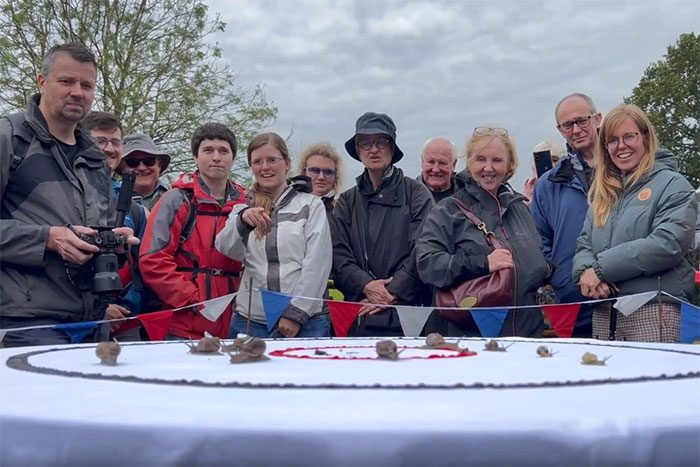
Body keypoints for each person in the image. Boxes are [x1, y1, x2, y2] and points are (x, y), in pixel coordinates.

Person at [0, 43, 136, 347]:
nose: (78, 92)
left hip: (93, 318)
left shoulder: (96, 157)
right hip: (30, 321)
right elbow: (54, 235)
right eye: (67, 81)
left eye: (87, 85)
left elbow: (91, 228)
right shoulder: (9, 139)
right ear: (42, 81)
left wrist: (114, 241)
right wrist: (47, 238)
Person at [573, 104, 697, 343]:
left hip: (654, 311)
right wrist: (584, 273)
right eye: (612, 140)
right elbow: (583, 244)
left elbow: (666, 244)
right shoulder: (603, 193)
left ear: (645, 137)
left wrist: (599, 270)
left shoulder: (673, 185)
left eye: (629, 136)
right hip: (604, 312)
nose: (621, 146)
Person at [416, 127, 550, 337]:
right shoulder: (447, 211)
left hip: (527, 337)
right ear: (469, 163)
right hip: (470, 341)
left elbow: (538, 263)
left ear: (509, 165)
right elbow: (428, 265)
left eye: (497, 160)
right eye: (480, 159)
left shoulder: (522, 209)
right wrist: (483, 263)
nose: (488, 168)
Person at [216, 132, 332, 338]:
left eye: (272, 160)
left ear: (287, 163)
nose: (265, 167)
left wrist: (296, 313)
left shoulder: (310, 205)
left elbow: (317, 264)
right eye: (257, 161)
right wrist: (242, 222)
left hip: (307, 321)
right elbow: (227, 249)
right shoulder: (242, 206)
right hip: (250, 321)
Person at [139, 123, 246, 339]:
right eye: (208, 150)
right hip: (185, 322)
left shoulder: (246, 204)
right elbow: (152, 259)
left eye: (223, 151)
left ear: (232, 159)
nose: (216, 157)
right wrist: (192, 298)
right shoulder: (176, 200)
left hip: (238, 320)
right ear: (196, 158)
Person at [330, 112, 434, 336]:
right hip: (359, 313)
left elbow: (424, 249)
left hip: (408, 315)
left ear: (392, 147)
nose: (373, 149)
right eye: (365, 143)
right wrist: (366, 285)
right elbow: (338, 255)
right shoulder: (347, 201)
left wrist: (392, 291)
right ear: (358, 150)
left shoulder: (416, 193)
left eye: (380, 142)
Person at [530, 93, 602, 337]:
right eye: (567, 125)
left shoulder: (625, 170)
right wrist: (559, 276)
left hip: (626, 298)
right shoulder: (547, 185)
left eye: (582, 120)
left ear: (597, 119)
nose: (576, 129)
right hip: (573, 301)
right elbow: (539, 240)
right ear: (560, 130)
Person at [83, 111, 152, 334]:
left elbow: (143, 266)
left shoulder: (135, 209)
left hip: (125, 318)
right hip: (75, 318)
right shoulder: (65, 196)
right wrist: (101, 307)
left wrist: (125, 306)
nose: (110, 149)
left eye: (115, 142)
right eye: (100, 141)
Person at [121, 134, 170, 210]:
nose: (141, 168)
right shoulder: (109, 199)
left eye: (149, 161)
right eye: (133, 162)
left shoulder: (178, 199)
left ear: (159, 164)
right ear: (122, 167)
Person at [295, 141, 344, 214]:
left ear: (335, 176)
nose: (321, 177)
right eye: (314, 170)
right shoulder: (289, 206)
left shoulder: (343, 211)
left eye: (328, 172)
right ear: (304, 173)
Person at [418, 137, 458, 203]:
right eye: (431, 162)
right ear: (422, 162)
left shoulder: (468, 196)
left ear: (454, 164)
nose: (435, 169)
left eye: (442, 163)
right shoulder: (407, 196)